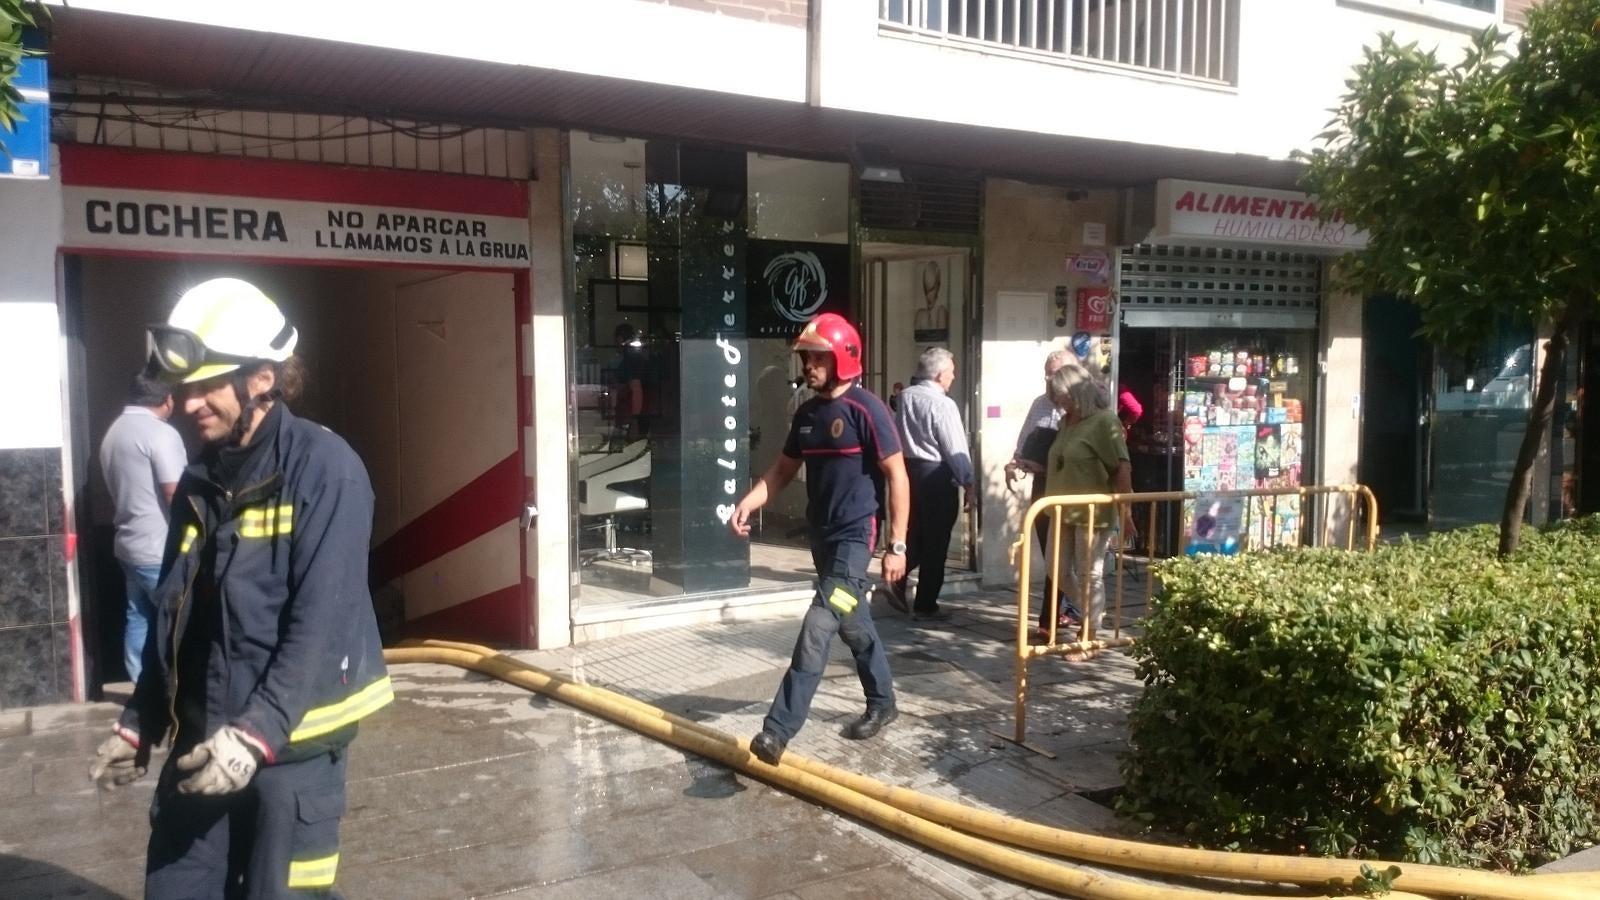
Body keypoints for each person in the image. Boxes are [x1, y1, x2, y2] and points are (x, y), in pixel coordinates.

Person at [89, 277, 391, 899]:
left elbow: (319, 626)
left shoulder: (326, 470)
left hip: (294, 754)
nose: (190, 403)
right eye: (184, 388)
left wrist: (256, 734)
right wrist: (143, 717)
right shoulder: (199, 480)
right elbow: (175, 613)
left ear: (262, 378)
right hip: (205, 741)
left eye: (207, 386)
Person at [729, 312, 909, 766]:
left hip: (855, 541)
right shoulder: (807, 415)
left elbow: (897, 475)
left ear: (843, 358)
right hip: (822, 540)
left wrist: (897, 544)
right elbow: (783, 470)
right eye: (806, 358)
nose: (808, 366)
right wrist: (750, 501)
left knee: (818, 626)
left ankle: (777, 731)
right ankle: (884, 702)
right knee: (852, 622)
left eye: (817, 358)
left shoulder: (867, 409)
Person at [99, 370, 186, 683]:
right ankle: (172, 689)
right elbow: (175, 492)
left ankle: (140, 685)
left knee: (138, 616)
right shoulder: (161, 433)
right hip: (159, 547)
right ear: (168, 399)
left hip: (128, 545)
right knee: (176, 620)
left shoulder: (114, 432)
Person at [1043, 361, 1137, 643]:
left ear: (1078, 393)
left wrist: (1126, 514)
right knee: (1056, 570)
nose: (1059, 403)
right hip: (1061, 509)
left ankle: (1090, 633)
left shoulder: (1104, 421)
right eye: (1057, 397)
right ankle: (1092, 611)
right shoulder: (1065, 422)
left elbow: (1122, 468)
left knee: (1089, 574)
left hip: (1092, 511)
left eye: (1063, 396)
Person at [892, 347, 976, 620]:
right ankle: (926, 604)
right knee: (937, 541)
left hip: (909, 471)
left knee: (916, 532)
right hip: (936, 474)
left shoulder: (905, 397)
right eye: (951, 371)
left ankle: (896, 579)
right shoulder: (943, 404)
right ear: (939, 375)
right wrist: (969, 482)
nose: (953, 376)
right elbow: (955, 447)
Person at [1004, 349, 1074, 632]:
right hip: (1044, 488)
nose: (1047, 379)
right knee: (1052, 555)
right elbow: (1023, 444)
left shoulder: (1084, 409)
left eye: (1053, 373)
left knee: (1066, 557)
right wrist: (1014, 463)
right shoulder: (1040, 404)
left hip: (1072, 488)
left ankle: (1052, 619)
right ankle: (1060, 614)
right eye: (1046, 373)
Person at [612, 322, 650, 440]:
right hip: (631, 409)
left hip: (631, 410)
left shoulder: (632, 359)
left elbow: (635, 386)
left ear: (620, 339)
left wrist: (634, 418)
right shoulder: (633, 357)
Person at [912, 262, 948, 336]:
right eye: (926, 290)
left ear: (938, 286)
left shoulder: (941, 312)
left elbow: (940, 340)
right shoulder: (920, 314)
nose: (928, 296)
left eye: (932, 290)